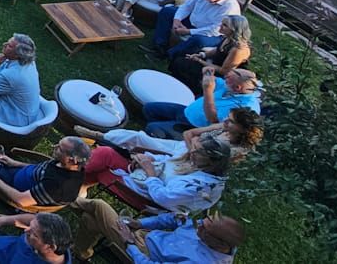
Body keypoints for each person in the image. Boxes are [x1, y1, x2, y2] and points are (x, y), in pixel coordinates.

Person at [81, 134, 232, 213]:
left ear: (212, 161)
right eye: (194, 148)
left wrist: (150, 172)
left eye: (198, 152)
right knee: (105, 153)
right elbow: (168, 160)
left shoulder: (199, 187)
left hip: (145, 198)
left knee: (101, 167)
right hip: (140, 177)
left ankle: (70, 180)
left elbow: (163, 199)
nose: (192, 152)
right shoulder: (199, 162)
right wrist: (150, 158)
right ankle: (76, 188)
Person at [75, 106, 264, 166]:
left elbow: (203, 160)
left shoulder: (236, 149)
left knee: (140, 142)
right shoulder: (223, 128)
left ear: (243, 129)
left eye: (231, 121)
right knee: (139, 136)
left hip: (185, 161)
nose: (226, 122)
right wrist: (194, 145)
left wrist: (193, 146)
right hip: (182, 148)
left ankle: (100, 141)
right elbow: (189, 133)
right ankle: (101, 136)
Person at [73, 200, 245, 264]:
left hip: (143, 253)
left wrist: (129, 243)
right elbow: (174, 219)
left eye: (204, 228)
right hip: (146, 234)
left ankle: (57, 198)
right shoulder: (208, 228)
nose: (199, 225)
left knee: (99, 205)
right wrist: (139, 223)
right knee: (90, 220)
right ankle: (81, 254)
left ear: (220, 243)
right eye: (204, 222)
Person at [143, 68, 261, 139]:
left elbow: (213, 121)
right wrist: (207, 73)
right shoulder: (231, 86)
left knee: (151, 128)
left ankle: (167, 135)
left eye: (227, 79)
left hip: (195, 127)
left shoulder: (243, 108)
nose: (224, 79)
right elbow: (213, 80)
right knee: (149, 108)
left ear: (237, 88)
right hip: (186, 112)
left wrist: (208, 91)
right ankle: (165, 129)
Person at [147, 0, 241, 59]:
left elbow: (215, 29)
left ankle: (169, 55)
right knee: (167, 11)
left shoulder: (229, 7)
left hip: (215, 34)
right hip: (193, 21)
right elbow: (186, 6)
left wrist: (188, 31)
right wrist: (177, 20)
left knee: (199, 40)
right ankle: (159, 45)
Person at [170, 15, 252, 94]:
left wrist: (200, 61)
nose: (221, 26)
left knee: (182, 63)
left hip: (219, 73)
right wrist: (201, 55)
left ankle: (188, 89)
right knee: (182, 54)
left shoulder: (238, 49)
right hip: (213, 64)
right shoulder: (228, 38)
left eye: (225, 25)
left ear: (234, 29)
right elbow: (217, 50)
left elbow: (224, 71)